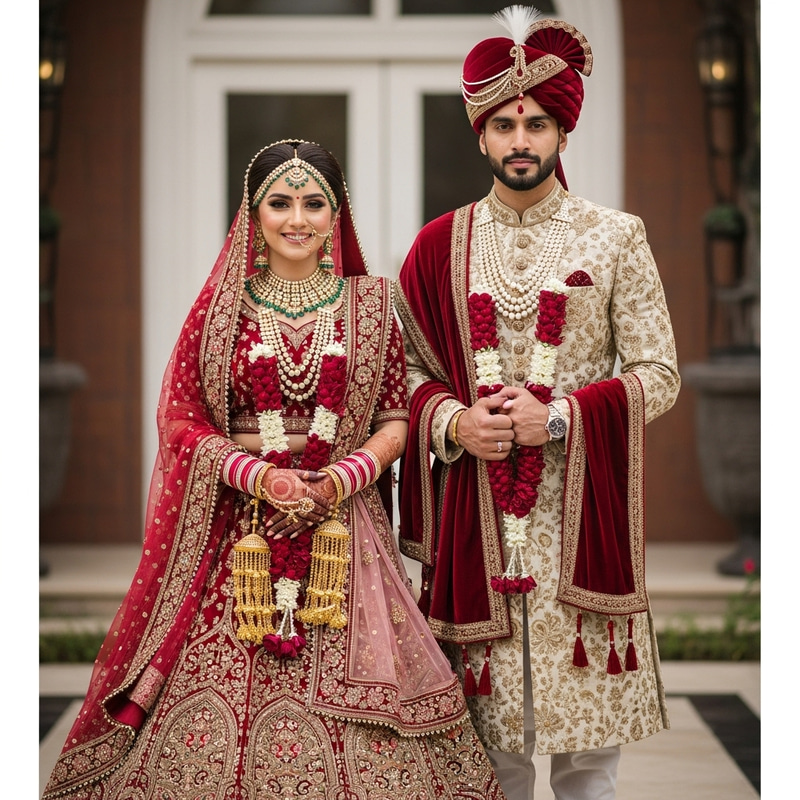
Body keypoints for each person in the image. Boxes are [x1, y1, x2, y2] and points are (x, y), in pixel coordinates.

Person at [43, 140, 506, 799]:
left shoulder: (372, 305)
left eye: (314, 203)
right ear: (252, 216)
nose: (297, 218)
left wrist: (341, 479)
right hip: (240, 534)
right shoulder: (220, 311)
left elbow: (395, 417)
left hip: (346, 530)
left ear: (336, 213)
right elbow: (180, 418)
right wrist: (257, 475)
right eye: (280, 203)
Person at [395, 7, 680, 800]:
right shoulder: (435, 246)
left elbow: (659, 372)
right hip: (475, 528)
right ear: (481, 136)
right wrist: (453, 421)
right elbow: (405, 378)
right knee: (492, 761)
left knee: (590, 766)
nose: (522, 139)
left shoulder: (617, 236)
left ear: (562, 134)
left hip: (582, 522)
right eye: (505, 124)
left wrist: (557, 417)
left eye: (539, 123)